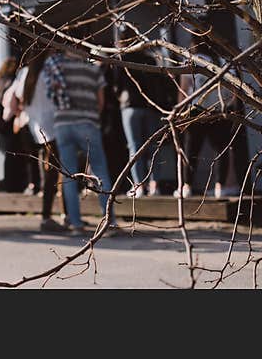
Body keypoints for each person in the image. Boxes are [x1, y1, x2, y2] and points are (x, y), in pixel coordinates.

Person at [43, 50, 116, 233]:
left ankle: (75, 223)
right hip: (88, 123)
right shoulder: (92, 67)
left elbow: (50, 94)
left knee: (69, 175)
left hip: (63, 124)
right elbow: (101, 99)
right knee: (100, 171)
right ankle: (109, 221)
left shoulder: (57, 65)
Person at [178, 38, 249, 198]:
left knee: (191, 149)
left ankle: (186, 186)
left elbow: (183, 90)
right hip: (219, 109)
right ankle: (220, 187)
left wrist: (180, 113)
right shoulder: (223, 62)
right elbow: (234, 91)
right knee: (221, 149)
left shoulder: (192, 59)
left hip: (196, 110)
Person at [7, 52, 68, 232]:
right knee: (58, 174)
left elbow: (13, 100)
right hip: (54, 126)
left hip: (35, 128)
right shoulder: (50, 71)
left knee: (48, 173)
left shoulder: (25, 73)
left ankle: (51, 215)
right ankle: (53, 215)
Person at [114, 31, 176, 197]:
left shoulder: (121, 61)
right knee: (153, 146)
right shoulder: (149, 60)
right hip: (150, 106)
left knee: (134, 147)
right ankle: (155, 184)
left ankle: (138, 185)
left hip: (130, 106)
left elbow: (116, 86)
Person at [0, 57, 22, 191]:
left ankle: (8, 183)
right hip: (8, 121)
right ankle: (12, 184)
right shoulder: (12, 81)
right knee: (12, 154)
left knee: (7, 154)